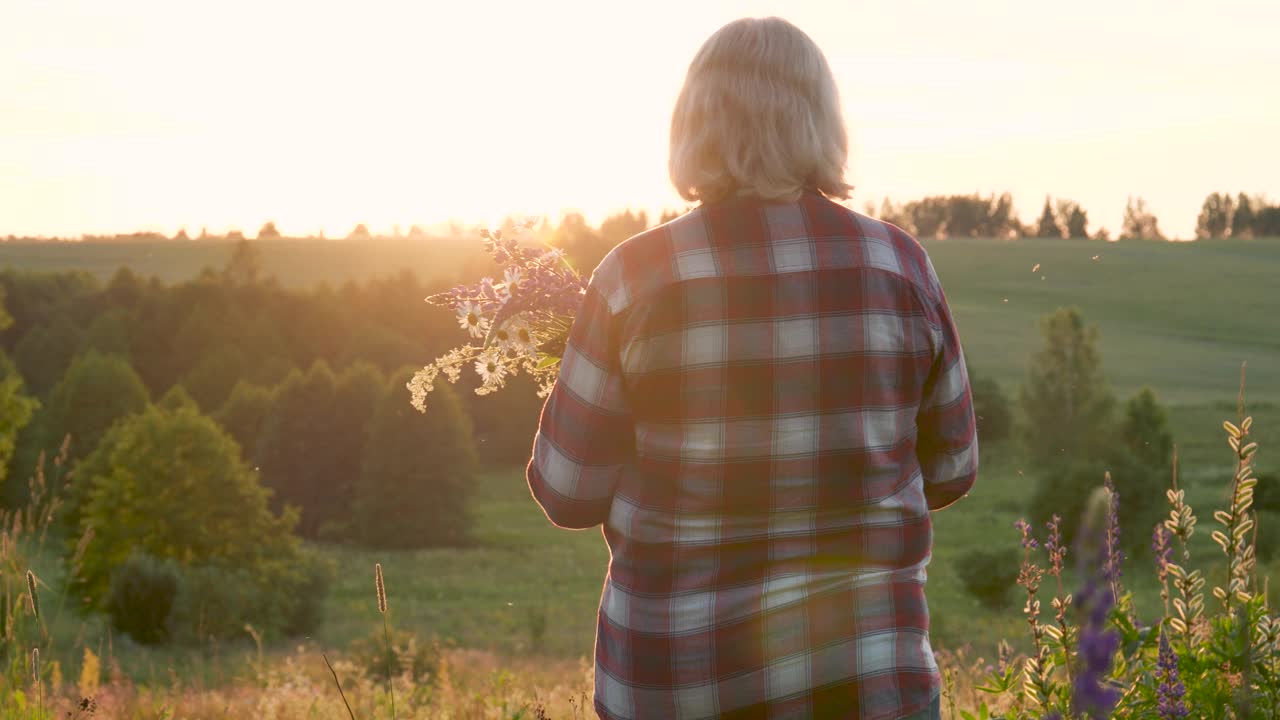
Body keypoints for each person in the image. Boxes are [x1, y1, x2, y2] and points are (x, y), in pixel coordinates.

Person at [527, 16, 977, 720]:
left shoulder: (634, 278)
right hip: (865, 682)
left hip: (679, 683)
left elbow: (566, 492)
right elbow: (953, 469)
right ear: (821, 121)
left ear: (693, 121)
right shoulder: (902, 266)